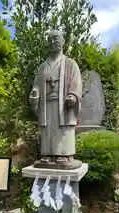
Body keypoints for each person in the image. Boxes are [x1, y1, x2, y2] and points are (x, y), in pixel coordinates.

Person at [29, 29, 82, 167]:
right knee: (48, 129)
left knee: (62, 128)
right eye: (50, 39)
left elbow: (76, 83)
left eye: (56, 38)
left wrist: (73, 96)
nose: (53, 41)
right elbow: (36, 86)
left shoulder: (70, 64)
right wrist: (35, 94)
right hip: (46, 104)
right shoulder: (42, 67)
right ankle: (47, 154)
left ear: (63, 42)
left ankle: (64, 155)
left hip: (63, 105)